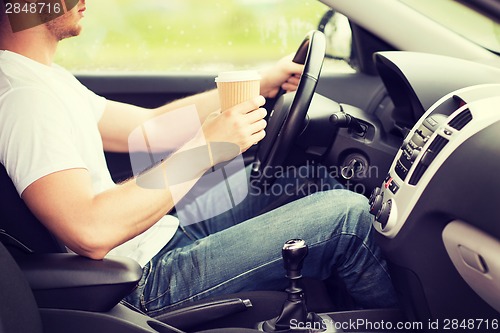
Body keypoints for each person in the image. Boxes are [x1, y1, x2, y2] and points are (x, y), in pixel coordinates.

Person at [0, 0, 397, 317]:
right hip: (136, 281)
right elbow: (89, 230)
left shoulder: (43, 79)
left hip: (156, 237)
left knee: (303, 178)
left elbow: (152, 127)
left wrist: (260, 82)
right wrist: (207, 148)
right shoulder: (22, 97)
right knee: (349, 217)